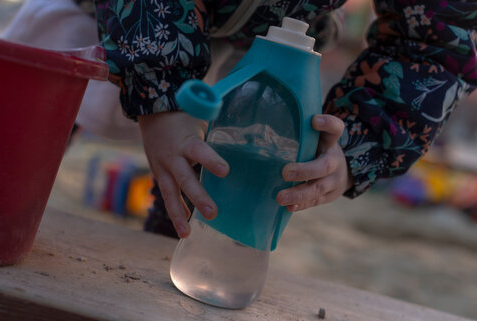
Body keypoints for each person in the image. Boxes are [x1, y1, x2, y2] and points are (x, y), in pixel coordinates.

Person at [91, 0, 477, 239]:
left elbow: (435, 41)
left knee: (215, 162)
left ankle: (172, 238)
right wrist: (159, 83)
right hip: (123, 19)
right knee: (52, 92)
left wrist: (359, 141)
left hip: (270, 33)